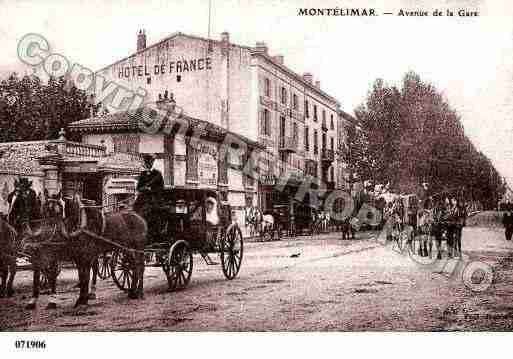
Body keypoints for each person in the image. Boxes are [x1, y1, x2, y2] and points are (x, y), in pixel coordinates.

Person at [133, 154, 164, 242]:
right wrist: (143, 188)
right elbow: (138, 187)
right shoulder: (142, 174)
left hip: (154, 198)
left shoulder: (158, 174)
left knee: (150, 212)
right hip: (143, 198)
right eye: (146, 163)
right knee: (135, 209)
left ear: (152, 163)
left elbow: (161, 188)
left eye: (149, 162)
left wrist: (151, 189)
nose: (148, 164)